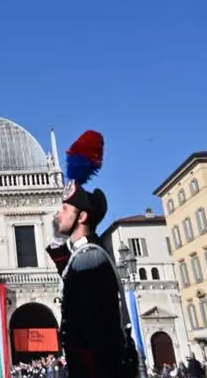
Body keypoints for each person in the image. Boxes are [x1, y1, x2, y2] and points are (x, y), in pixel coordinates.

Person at [46, 130, 132, 378]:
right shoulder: (85, 255)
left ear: (82, 216)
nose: (57, 215)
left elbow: (93, 334)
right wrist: (58, 238)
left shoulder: (90, 258)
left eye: (64, 209)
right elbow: (68, 273)